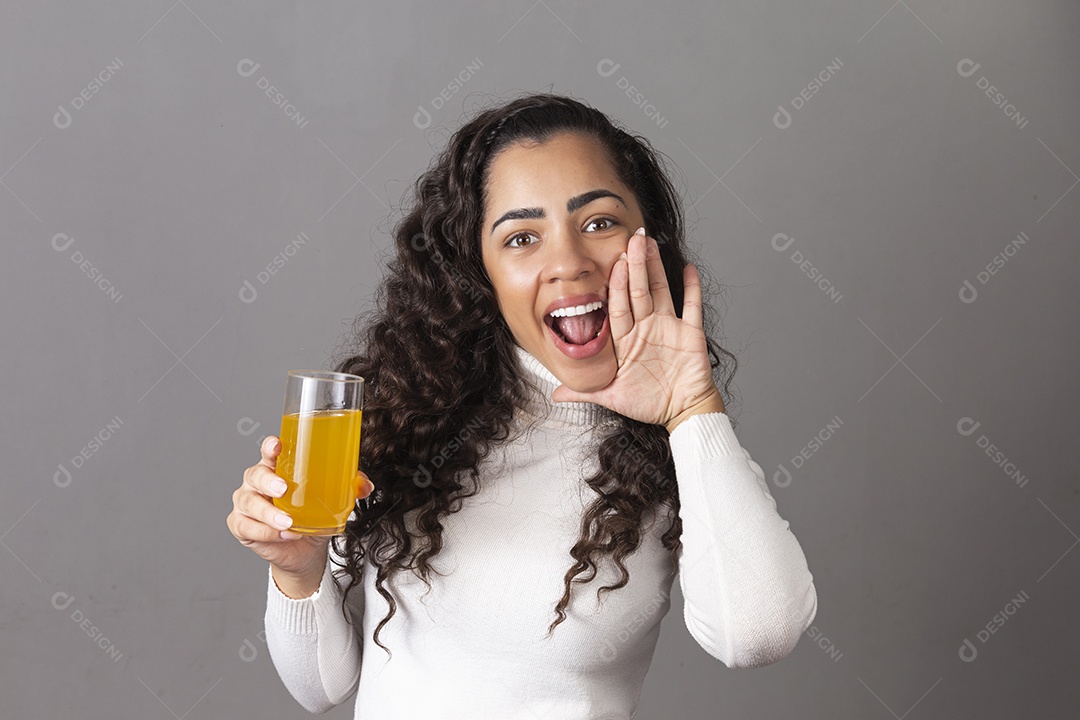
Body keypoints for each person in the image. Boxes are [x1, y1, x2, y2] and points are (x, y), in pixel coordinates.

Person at [227, 91, 817, 718]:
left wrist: (692, 408)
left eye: (598, 223)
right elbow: (321, 688)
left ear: (647, 238)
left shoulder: (679, 452)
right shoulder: (403, 418)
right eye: (521, 237)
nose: (567, 262)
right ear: (478, 268)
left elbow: (759, 634)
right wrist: (297, 571)